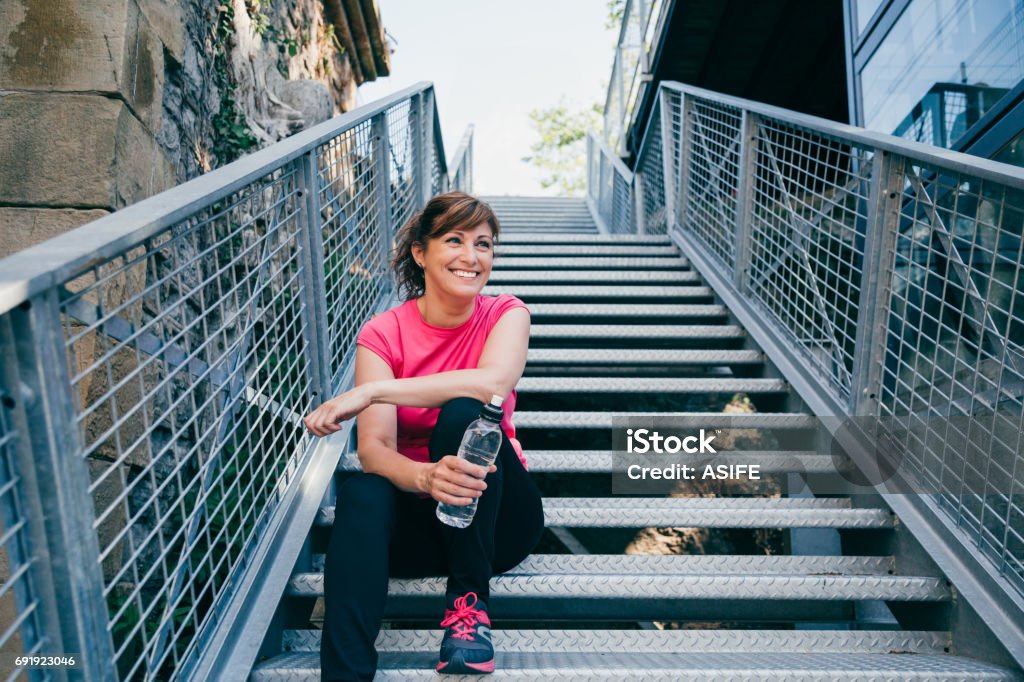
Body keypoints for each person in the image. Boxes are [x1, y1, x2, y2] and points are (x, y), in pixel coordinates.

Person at [303, 191, 545, 680]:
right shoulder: (383, 332)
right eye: (454, 240)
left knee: (465, 414)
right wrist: (426, 477)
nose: (472, 257)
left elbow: (493, 384)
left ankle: (468, 612)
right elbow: (373, 451)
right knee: (362, 492)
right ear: (421, 251)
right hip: (419, 524)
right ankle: (345, 673)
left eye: (484, 244)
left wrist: (374, 390)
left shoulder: (506, 313)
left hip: (497, 520)